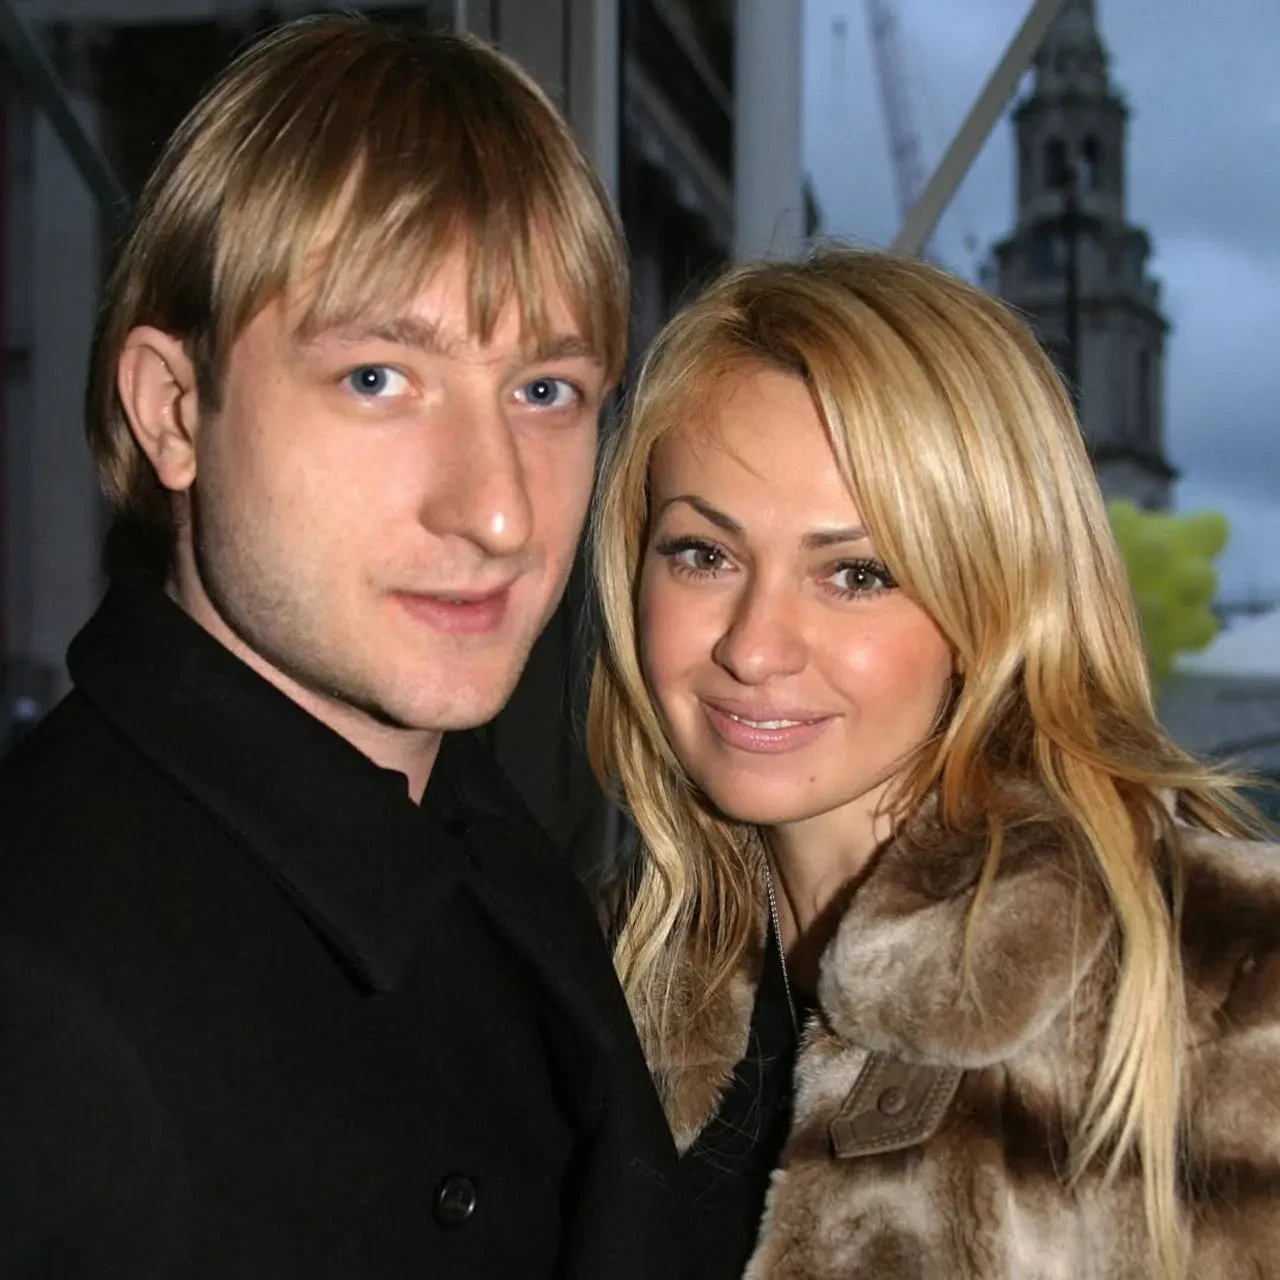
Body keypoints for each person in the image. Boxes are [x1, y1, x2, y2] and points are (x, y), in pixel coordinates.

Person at [0, 16, 683, 1279]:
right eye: (377, 378)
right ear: (173, 410)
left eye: (544, 391)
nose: (497, 511)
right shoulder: (39, 994)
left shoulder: (493, 855)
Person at [587, 246, 1280, 1279]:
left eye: (856, 573)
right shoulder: (595, 980)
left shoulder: (1226, 982)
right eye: (703, 553)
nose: (754, 646)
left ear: (993, 601)